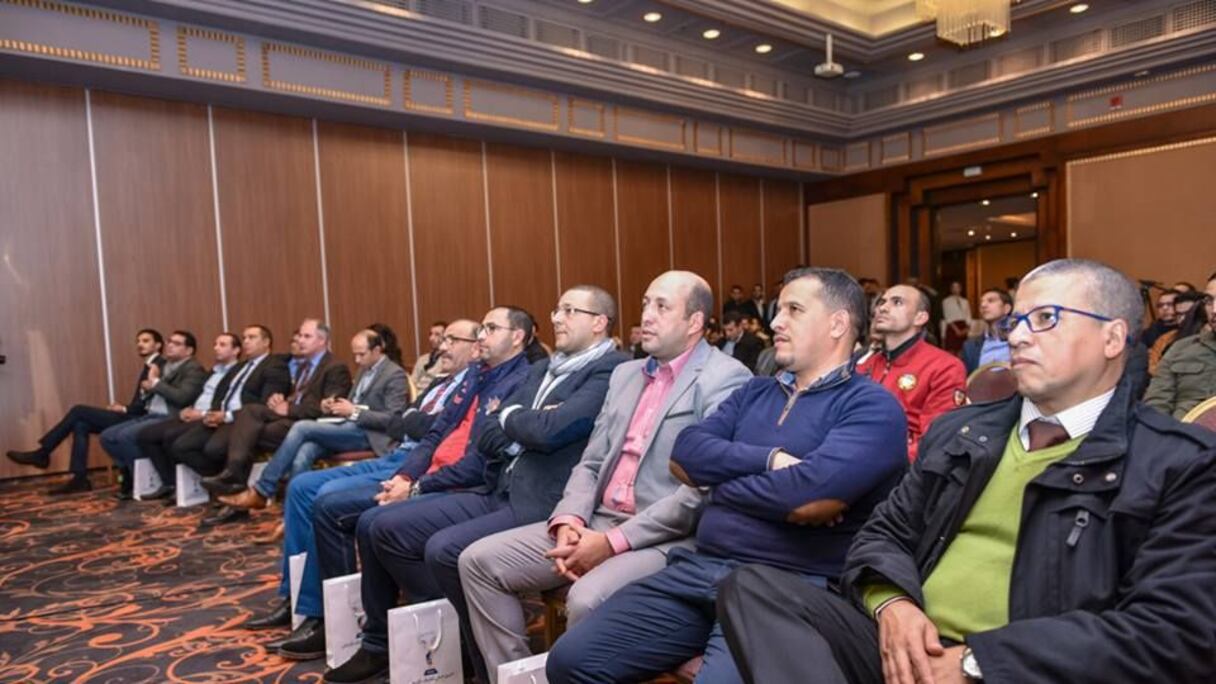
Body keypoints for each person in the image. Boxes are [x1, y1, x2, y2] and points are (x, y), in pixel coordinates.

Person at [717, 258, 1216, 684]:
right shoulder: (962, 431)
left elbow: (1173, 631)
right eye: (1015, 320)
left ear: (1113, 337)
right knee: (753, 587)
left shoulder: (1178, 462)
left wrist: (978, 662)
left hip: (1022, 668)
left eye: (1045, 318)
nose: (1017, 336)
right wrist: (892, 605)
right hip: (907, 647)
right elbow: (883, 534)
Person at [546, 267, 908, 684]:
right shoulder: (755, 391)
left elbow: (809, 500)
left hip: (783, 587)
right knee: (570, 661)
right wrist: (771, 461)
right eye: (779, 309)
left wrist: (719, 485)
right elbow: (685, 456)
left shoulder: (871, 407)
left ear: (837, 324)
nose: (776, 322)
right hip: (701, 568)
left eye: (793, 310)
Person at [458, 271, 752, 683]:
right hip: (594, 521)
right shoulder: (625, 375)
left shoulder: (726, 378)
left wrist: (612, 542)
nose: (646, 315)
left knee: (585, 599)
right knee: (477, 562)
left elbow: (698, 493)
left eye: (662, 307)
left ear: (695, 322)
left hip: (662, 537)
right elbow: (592, 461)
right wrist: (569, 520)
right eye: (646, 303)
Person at [325, 290, 629, 684]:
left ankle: (490, 666)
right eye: (557, 309)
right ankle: (450, 642)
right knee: (383, 526)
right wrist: (523, 421)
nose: (557, 318)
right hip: (497, 486)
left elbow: (552, 430)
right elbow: (486, 433)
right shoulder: (545, 368)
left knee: (445, 549)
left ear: (599, 322)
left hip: (541, 501)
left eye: (570, 311)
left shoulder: (611, 369)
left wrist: (514, 419)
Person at [280, 308, 533, 666]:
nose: (446, 345)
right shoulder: (474, 376)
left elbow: (475, 458)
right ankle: (364, 630)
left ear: (517, 337)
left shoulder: (520, 380)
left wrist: (416, 486)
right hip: (420, 466)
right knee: (331, 501)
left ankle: (407, 631)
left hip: (465, 483)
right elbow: (423, 429)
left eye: (488, 330)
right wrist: (406, 478)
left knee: (364, 518)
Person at [245, 321, 480, 653]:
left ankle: (326, 615)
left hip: (413, 461)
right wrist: (411, 420)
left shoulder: (473, 383)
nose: (442, 346)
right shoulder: (440, 382)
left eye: (452, 340)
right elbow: (403, 421)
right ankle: (295, 597)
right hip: (397, 453)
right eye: (444, 339)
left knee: (325, 496)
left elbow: (419, 425)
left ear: (476, 347)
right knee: (300, 486)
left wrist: (407, 420)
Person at [218, 327, 409, 510]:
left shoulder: (394, 374)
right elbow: (354, 402)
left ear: (377, 350)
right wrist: (332, 405)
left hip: (371, 435)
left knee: (302, 428)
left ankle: (263, 489)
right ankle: (294, 513)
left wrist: (354, 412)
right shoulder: (364, 369)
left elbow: (394, 419)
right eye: (355, 355)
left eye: (361, 354)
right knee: (304, 452)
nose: (357, 360)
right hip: (348, 427)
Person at [201, 318, 352, 497]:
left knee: (247, 433)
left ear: (322, 340)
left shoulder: (335, 367)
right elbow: (299, 397)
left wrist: (289, 409)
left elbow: (330, 407)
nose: (300, 340)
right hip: (291, 418)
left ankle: (238, 482)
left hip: (309, 423)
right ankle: (236, 478)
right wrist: (280, 400)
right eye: (300, 336)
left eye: (307, 336)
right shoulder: (304, 366)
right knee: (251, 411)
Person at [7, 329, 165, 494]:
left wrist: (125, 409)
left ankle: (43, 453)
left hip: (141, 418)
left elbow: (151, 402)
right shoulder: (149, 365)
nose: (140, 344)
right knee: (81, 424)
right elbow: (143, 400)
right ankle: (79, 478)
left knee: (79, 411)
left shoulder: (159, 365)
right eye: (138, 341)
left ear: (158, 345)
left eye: (145, 341)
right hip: (133, 414)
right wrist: (124, 407)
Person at [166, 325, 292, 525]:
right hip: (220, 417)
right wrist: (211, 413)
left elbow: (265, 406)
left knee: (214, 448)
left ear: (266, 342)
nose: (246, 341)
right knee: (182, 446)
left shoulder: (275, 366)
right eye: (245, 337)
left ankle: (232, 497)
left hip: (243, 421)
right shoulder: (239, 367)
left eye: (252, 337)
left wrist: (227, 416)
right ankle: (224, 486)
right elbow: (221, 393)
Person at [857, 285, 967, 461]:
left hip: (902, 466)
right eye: (882, 302)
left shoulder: (944, 366)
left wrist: (877, 461)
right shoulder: (866, 364)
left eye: (897, 302)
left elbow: (936, 439)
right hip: (853, 453)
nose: (882, 308)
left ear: (920, 317)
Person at [102, 330, 209, 499]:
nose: (170, 346)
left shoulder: (193, 369)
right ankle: (133, 475)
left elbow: (183, 397)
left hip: (170, 416)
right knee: (107, 436)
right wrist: (148, 388)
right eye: (169, 342)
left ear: (189, 350)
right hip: (151, 413)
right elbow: (155, 393)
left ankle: (151, 480)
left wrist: (156, 382)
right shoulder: (165, 366)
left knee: (125, 436)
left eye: (176, 343)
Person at [137, 333, 242, 501]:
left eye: (222, 345)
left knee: (172, 438)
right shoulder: (213, 371)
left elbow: (224, 402)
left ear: (236, 350)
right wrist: (188, 409)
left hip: (211, 417)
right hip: (194, 413)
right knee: (146, 435)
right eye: (215, 344)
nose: (216, 348)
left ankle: (217, 479)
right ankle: (171, 483)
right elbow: (196, 394)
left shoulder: (237, 372)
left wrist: (202, 414)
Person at [1144, 272, 1216, 419]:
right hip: (1182, 430)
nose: (1214, 310)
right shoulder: (1180, 349)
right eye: (1209, 301)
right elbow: (1156, 405)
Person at [1147, 290, 1204, 374]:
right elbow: (1153, 367)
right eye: (1179, 314)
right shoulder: (1166, 339)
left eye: (1188, 314)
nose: (1182, 319)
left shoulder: (1210, 338)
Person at [961, 288, 1014, 374]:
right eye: (981, 302)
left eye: (991, 301)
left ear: (1006, 308)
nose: (983, 305)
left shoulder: (1024, 339)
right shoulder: (970, 347)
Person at [411, 321, 447, 395]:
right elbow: (412, 382)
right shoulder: (422, 359)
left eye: (437, 334)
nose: (431, 338)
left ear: (445, 338)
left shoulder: (447, 360)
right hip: (416, 395)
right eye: (430, 334)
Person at [940, 281, 972, 355]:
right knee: (951, 351)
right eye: (953, 287)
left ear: (960, 289)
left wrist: (967, 328)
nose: (955, 289)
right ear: (951, 289)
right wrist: (957, 330)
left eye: (957, 287)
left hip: (963, 326)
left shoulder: (965, 301)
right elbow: (947, 316)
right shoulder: (946, 301)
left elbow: (968, 315)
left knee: (962, 351)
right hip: (952, 326)